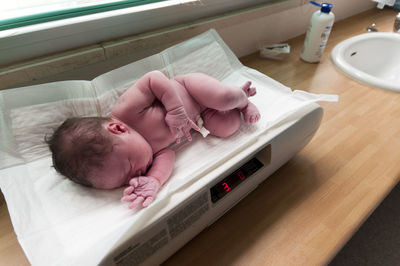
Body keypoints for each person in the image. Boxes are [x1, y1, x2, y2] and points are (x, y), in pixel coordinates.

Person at [46, 71, 260, 208]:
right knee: (226, 128)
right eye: (125, 181)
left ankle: (242, 100)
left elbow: (153, 78)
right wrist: (154, 180)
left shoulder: (127, 111)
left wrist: (175, 109)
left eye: (131, 166)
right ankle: (236, 105)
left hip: (190, 89)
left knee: (223, 98)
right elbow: (167, 155)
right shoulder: (148, 152)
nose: (138, 172)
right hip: (202, 119)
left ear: (118, 129)